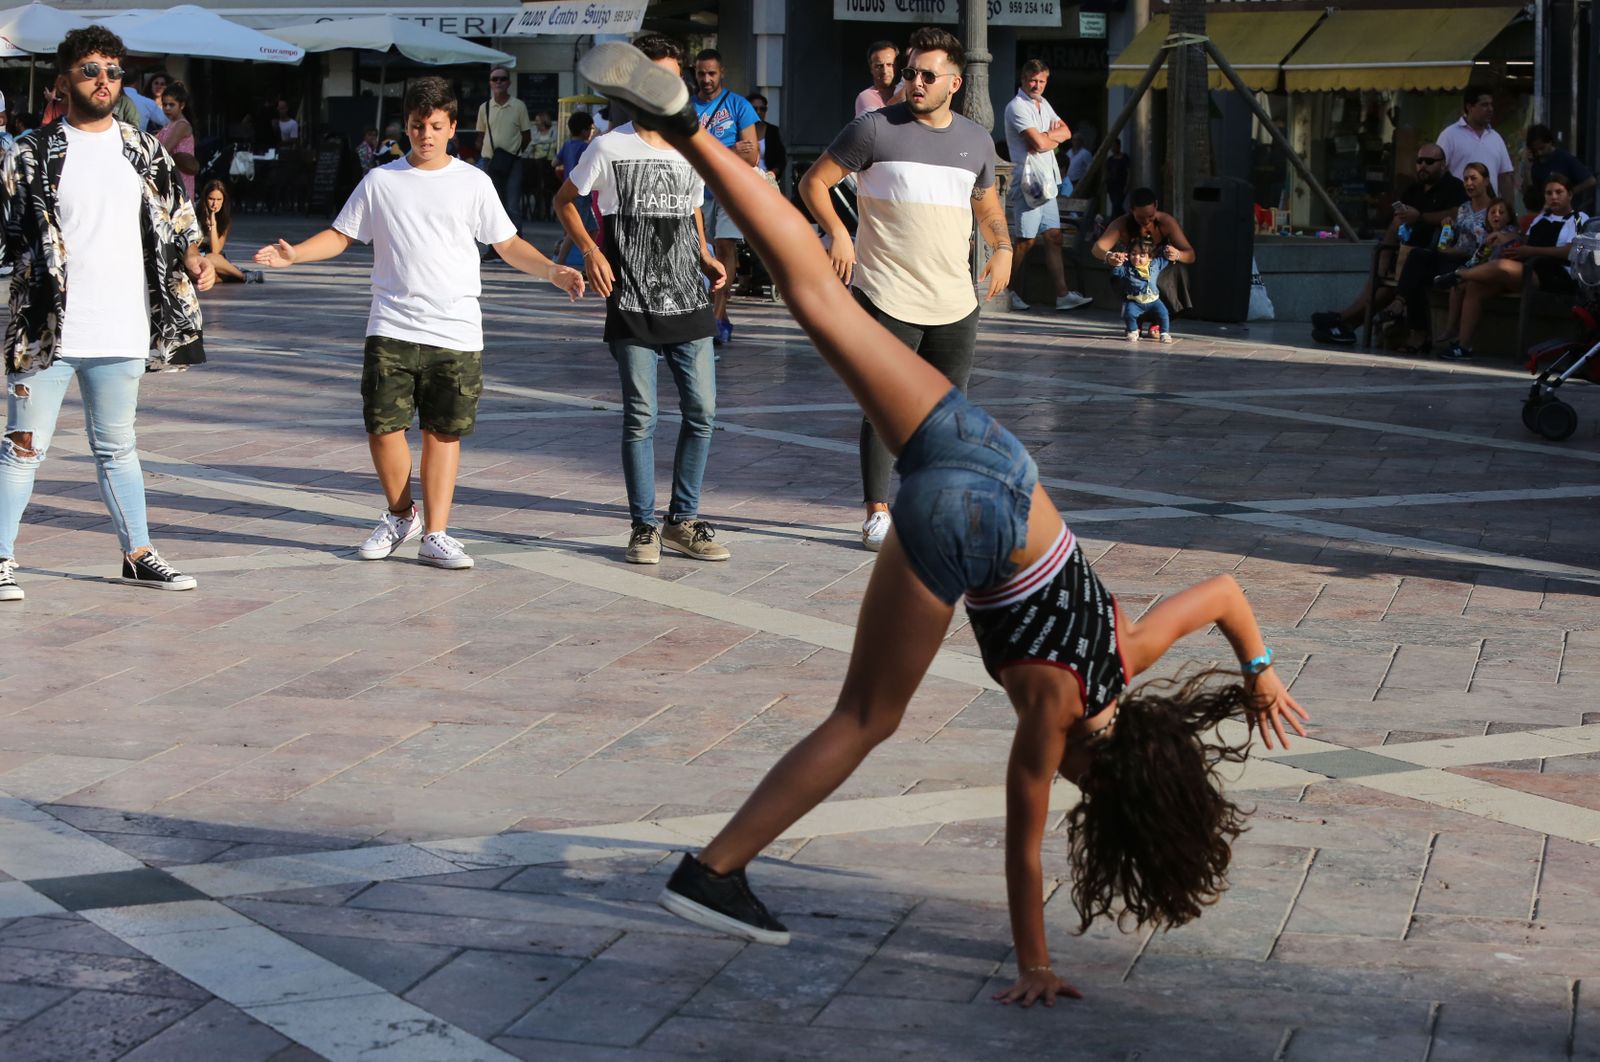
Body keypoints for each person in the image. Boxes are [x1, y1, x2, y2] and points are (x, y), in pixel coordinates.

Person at [577, 44, 1310, 1001]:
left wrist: (1260, 672)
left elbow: (1224, 591)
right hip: (962, 515)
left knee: (817, 297)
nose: (1078, 787)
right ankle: (714, 871)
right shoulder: (1054, 715)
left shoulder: (1130, 652)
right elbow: (1024, 846)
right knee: (867, 717)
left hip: (999, 457)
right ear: (1105, 769)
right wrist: (1036, 964)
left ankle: (687, 132)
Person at [253, 77, 584, 571]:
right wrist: (294, 255)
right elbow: (343, 236)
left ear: (453, 127)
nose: (425, 135)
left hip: (455, 329)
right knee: (383, 426)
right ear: (405, 127)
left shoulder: (473, 182)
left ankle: (437, 533)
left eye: (435, 126)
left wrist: (553, 271)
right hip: (391, 324)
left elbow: (507, 244)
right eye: (416, 126)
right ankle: (400, 513)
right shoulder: (381, 181)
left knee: (442, 432)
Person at [1, 26, 215, 603]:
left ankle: (138, 554)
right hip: (46, 329)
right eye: (91, 69)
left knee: (118, 446)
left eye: (114, 71)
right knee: (22, 447)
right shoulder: (29, 153)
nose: (104, 80)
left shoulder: (144, 149)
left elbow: (178, 219)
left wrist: (197, 259)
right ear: (64, 79)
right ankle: (1, 559)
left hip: (122, 326)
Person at [798, 26, 1011, 553]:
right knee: (885, 405)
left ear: (954, 83)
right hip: (885, 293)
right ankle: (876, 511)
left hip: (955, 300)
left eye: (926, 74)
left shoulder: (975, 140)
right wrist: (839, 232)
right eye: (911, 71)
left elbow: (986, 205)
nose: (913, 81)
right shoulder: (873, 129)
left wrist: (1003, 247)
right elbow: (812, 183)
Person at [556, 33, 731, 567]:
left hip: (688, 298)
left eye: (672, 78)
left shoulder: (689, 145)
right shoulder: (608, 146)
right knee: (641, 416)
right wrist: (590, 250)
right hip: (631, 299)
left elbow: (691, 205)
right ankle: (643, 526)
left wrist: (702, 250)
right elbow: (566, 200)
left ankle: (682, 520)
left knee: (702, 411)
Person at [1307, 148, 1464, 346]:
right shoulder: (1414, 190)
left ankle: (1344, 318)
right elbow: (1396, 224)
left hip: (1432, 255)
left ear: (1443, 164)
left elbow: (1457, 215)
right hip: (1404, 252)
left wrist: (1421, 217)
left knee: (1405, 272)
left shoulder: (1454, 187)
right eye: (1419, 161)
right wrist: (1383, 257)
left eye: (1429, 162)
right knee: (1382, 273)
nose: (1423, 165)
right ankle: (1346, 324)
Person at [1442, 174, 1590, 361]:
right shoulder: (1541, 219)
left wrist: (1530, 251)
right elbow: (1523, 240)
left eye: (1559, 192)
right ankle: (1463, 346)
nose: (1553, 197)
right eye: (1549, 193)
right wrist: (1507, 240)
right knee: (1475, 287)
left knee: (1502, 266)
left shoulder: (1579, 218)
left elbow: (1570, 251)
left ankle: (1459, 275)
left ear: (1569, 195)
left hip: (1557, 274)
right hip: (1528, 268)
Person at [1002, 60, 1090, 313]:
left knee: (1054, 236)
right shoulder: (1016, 107)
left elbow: (1066, 132)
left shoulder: (1044, 104)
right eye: (1032, 80)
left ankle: (1062, 295)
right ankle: (1004, 290)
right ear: (1023, 79)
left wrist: (1048, 138)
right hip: (1029, 182)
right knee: (1026, 241)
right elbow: (1038, 144)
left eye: (1041, 81)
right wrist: (1051, 139)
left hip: (1048, 181)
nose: (1037, 85)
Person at [691, 48, 760, 346]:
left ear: (722, 73)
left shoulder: (738, 105)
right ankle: (707, 311)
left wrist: (708, 153)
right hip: (695, 189)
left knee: (724, 246)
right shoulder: (685, 107)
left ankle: (717, 316)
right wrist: (730, 151)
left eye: (711, 73)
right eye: (701, 73)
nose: (706, 79)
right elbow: (683, 151)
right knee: (698, 251)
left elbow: (753, 155)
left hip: (730, 189)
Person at [1387, 161, 1493, 354]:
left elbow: (1484, 245)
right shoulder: (1463, 208)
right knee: (1418, 257)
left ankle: (1413, 323)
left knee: (1423, 273)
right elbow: (1457, 238)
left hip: (1473, 262)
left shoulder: (1495, 209)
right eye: (1466, 179)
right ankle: (1401, 302)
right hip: (1451, 256)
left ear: (1486, 181)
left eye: (1474, 179)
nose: (1469, 183)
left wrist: (1454, 250)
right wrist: (1449, 227)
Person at [1092, 187, 1196, 335]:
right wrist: (1109, 256)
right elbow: (1097, 248)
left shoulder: (1166, 222)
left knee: (1176, 270)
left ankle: (1158, 320)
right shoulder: (1121, 223)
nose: (1146, 222)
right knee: (1125, 276)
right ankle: (1136, 319)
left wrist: (1177, 254)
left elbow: (1190, 254)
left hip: (1158, 271)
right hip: (1132, 273)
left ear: (1156, 206)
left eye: (1150, 217)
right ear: (1131, 210)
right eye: (1141, 218)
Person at [1435, 197, 1518, 350]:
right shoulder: (1484, 234)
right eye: (1493, 212)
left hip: (1500, 276)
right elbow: (1476, 257)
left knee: (1469, 283)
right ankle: (1451, 328)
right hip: (1481, 271)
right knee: (1458, 285)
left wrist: (1500, 238)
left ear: (1509, 217)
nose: (1496, 215)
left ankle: (1463, 341)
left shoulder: (1511, 232)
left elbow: (1513, 242)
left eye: (1501, 212)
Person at [476, 65, 531, 249]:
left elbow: (526, 135)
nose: (498, 82)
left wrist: (513, 153)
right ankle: (495, 248)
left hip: (513, 161)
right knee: (492, 205)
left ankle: (518, 248)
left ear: (509, 82)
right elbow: (480, 135)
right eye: (495, 79)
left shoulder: (518, 106)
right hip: (490, 161)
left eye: (502, 79)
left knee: (513, 205)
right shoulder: (484, 107)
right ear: (490, 83)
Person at [1437, 87, 1514, 204]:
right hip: (1458, 209)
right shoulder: (1449, 135)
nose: (1490, 109)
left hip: (1490, 212)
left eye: (1491, 105)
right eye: (1484, 105)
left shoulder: (1496, 137)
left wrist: (1510, 212)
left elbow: (1504, 177)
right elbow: (1439, 173)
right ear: (1469, 107)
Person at [196, 179, 262, 285]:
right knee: (199, 273)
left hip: (213, 257)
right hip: (195, 257)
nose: (214, 204)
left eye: (218, 200)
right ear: (204, 199)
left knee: (211, 259)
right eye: (211, 199)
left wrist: (213, 224)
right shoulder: (192, 214)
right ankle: (235, 275)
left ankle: (243, 276)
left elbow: (215, 250)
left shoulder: (224, 220)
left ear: (223, 201)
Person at [552, 111, 597, 267]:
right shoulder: (586, 147)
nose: (592, 132)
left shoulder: (567, 145)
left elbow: (554, 163)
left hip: (568, 191)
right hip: (582, 193)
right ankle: (560, 261)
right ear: (585, 131)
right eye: (591, 129)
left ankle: (589, 261)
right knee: (574, 230)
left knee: (593, 228)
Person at [1525, 124, 1595, 214]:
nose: (1539, 153)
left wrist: (1568, 192)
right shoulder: (1536, 165)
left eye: (1542, 148)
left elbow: (1590, 181)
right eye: (1536, 150)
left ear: (1549, 142)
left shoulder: (1564, 158)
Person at [1111, 242, 1171, 343]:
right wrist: (1118, 263)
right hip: (1135, 300)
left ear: (1150, 257)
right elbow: (1116, 273)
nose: (1137, 257)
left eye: (1142, 255)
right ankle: (1133, 331)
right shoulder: (1126, 268)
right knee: (1129, 314)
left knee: (1164, 314)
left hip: (1153, 299)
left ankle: (1164, 333)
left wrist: (1168, 250)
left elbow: (1166, 258)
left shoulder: (1155, 264)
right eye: (1133, 254)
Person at [156, 81, 198, 201]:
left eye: (171, 105)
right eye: (164, 105)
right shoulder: (171, 124)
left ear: (182, 105)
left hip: (179, 177)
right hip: (170, 176)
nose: (167, 108)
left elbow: (165, 149)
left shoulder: (181, 125)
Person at [854, 40, 900, 117]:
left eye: (889, 64)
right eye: (879, 66)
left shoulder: (905, 91)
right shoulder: (865, 97)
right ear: (871, 69)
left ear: (896, 66)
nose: (885, 71)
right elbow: (880, 123)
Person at [527, 110, 558, 221]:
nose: (535, 123)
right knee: (535, 184)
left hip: (549, 164)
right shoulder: (536, 133)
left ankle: (546, 210)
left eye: (537, 120)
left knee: (549, 186)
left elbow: (555, 144)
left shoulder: (553, 132)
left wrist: (539, 144)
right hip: (537, 164)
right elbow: (529, 148)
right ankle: (539, 210)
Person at [748, 93, 786, 183]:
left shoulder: (773, 131)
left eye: (762, 109)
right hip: (747, 178)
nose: (758, 112)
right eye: (754, 109)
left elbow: (781, 160)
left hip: (767, 179)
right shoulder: (740, 131)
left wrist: (772, 173)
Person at [1103, 137, 1130, 218]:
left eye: (1114, 146)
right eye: (1112, 146)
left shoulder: (1125, 158)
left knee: (1117, 205)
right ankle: (1124, 218)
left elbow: (1129, 172)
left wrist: (1127, 185)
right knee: (1115, 205)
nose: (1113, 148)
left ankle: (1114, 219)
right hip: (1112, 186)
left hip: (1121, 185)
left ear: (1119, 146)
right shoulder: (1110, 160)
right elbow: (1107, 173)